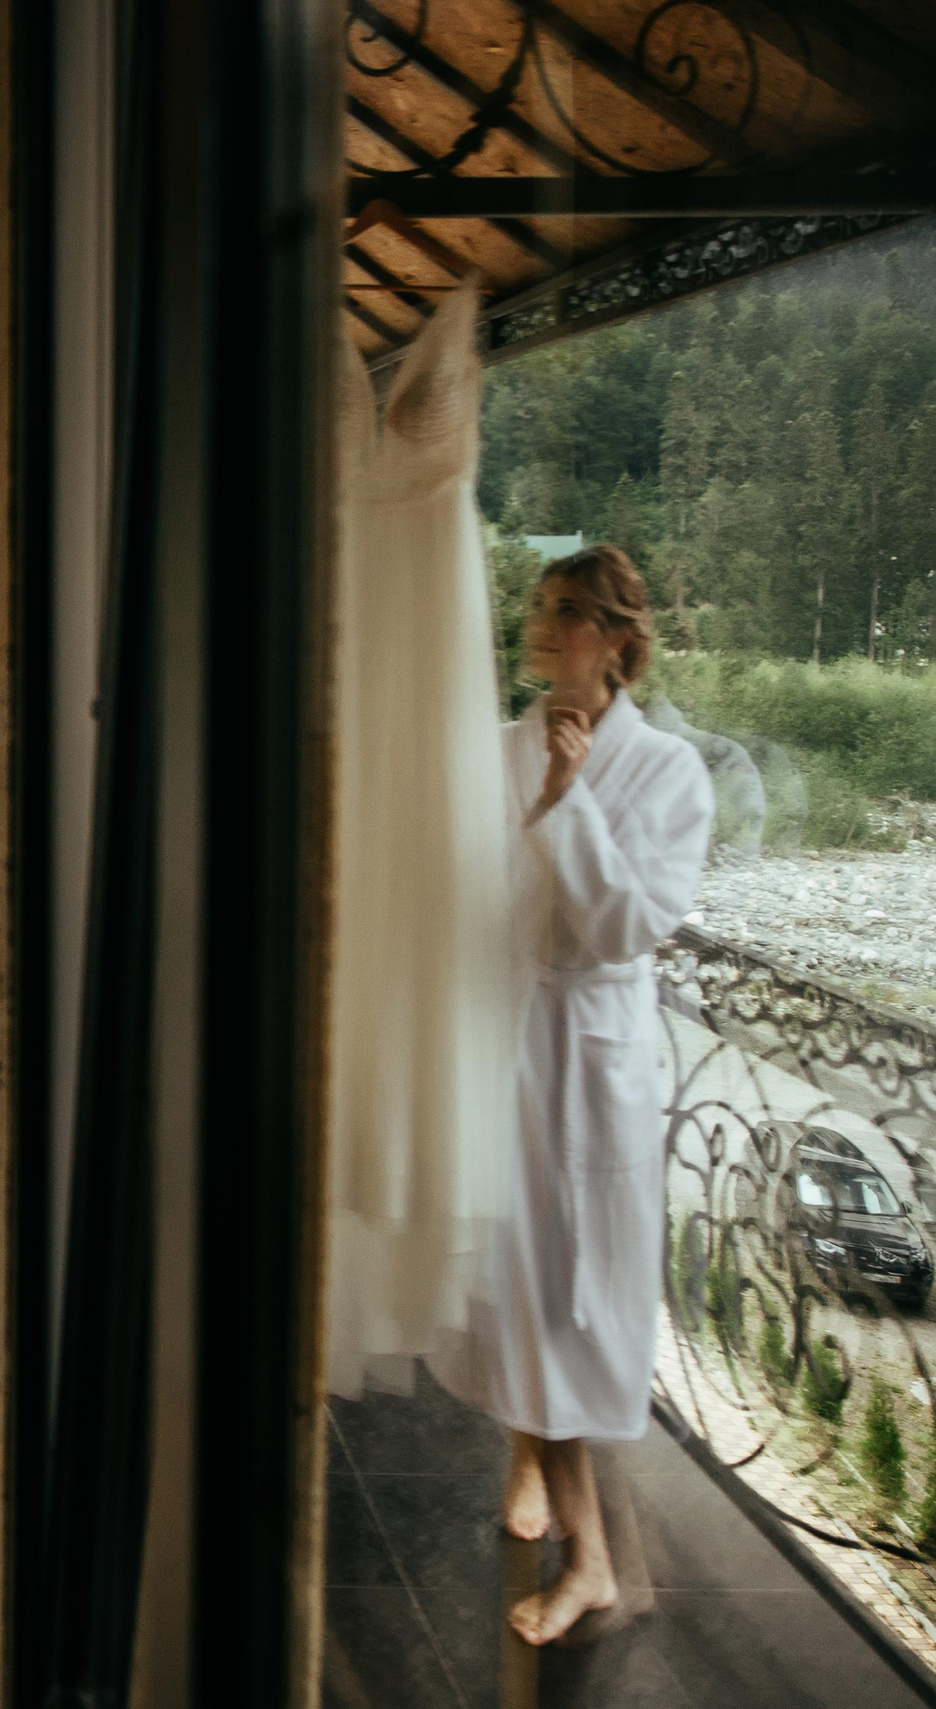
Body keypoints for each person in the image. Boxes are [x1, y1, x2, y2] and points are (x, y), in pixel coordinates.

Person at [438, 546, 713, 1645]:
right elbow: (465, 893)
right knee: (507, 1276)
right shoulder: (497, 746)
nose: (543, 623)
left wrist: (564, 804)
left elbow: (623, 926)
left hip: (588, 1057)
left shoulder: (670, 773)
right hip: (500, 1031)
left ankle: (594, 1562)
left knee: (563, 1293)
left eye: (568, 610)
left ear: (617, 639)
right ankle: (527, 1452)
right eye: (539, 605)